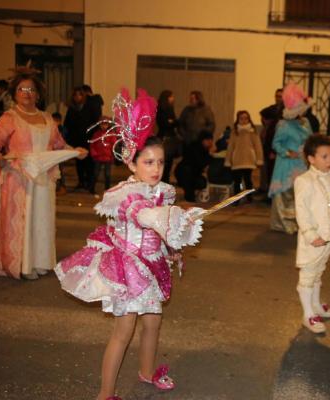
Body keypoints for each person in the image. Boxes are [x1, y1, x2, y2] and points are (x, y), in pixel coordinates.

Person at [55, 89, 206, 399]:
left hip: (152, 267)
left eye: (160, 162)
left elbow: (162, 232)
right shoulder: (125, 195)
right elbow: (147, 217)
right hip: (129, 271)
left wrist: (174, 249)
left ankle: (147, 372)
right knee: (123, 332)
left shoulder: (163, 191)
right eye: (148, 162)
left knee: (153, 323)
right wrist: (180, 220)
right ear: (132, 163)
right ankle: (105, 393)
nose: (155, 168)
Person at [0, 70, 87, 280]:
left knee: (42, 220)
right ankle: (22, 265)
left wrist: (76, 151)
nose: (27, 93)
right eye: (21, 89)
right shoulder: (9, 118)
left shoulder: (47, 118)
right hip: (20, 178)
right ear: (14, 93)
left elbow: (59, 145)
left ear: (38, 94)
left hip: (44, 179)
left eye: (31, 89)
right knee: (23, 222)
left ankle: (40, 262)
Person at [294, 134, 330, 333]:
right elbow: (302, 211)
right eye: (324, 156)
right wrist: (311, 235)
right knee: (308, 273)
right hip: (315, 238)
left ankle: (316, 305)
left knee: (319, 270)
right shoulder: (304, 181)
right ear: (311, 158)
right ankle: (308, 314)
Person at [268, 83, 312, 234]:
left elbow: (311, 140)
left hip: (302, 163)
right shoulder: (283, 124)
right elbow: (275, 143)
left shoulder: (306, 123)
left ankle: (299, 223)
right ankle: (282, 224)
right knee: (285, 194)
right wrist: (287, 152)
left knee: (299, 194)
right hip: (286, 164)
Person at [224, 110, 263, 200]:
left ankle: (249, 197)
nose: (244, 120)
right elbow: (230, 147)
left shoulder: (252, 131)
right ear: (238, 120)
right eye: (241, 118)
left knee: (248, 180)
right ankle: (236, 199)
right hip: (237, 159)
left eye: (246, 118)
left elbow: (258, 146)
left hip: (249, 159)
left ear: (249, 119)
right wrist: (228, 160)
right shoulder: (235, 132)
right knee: (237, 181)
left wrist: (259, 159)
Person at [65, 86, 94, 191]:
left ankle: (90, 183)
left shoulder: (88, 107)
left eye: (80, 94)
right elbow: (67, 124)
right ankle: (81, 181)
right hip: (77, 139)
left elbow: (94, 122)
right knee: (79, 162)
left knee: (89, 162)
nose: (77, 97)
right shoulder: (72, 108)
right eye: (75, 95)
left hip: (88, 139)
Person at [174, 130, 214, 202]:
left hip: (191, 174)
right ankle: (190, 199)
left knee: (201, 182)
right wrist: (210, 155)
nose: (210, 142)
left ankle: (191, 198)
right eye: (208, 140)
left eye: (211, 140)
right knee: (190, 178)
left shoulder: (204, 150)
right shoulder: (195, 148)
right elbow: (200, 163)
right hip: (184, 172)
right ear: (203, 140)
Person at [260, 88, 284, 192]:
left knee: (277, 172)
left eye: (280, 96)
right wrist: (266, 124)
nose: (278, 99)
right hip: (270, 144)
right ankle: (269, 192)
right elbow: (262, 113)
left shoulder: (286, 111)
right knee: (269, 171)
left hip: (279, 147)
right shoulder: (272, 109)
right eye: (277, 96)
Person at [156, 90, 180, 183]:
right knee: (167, 162)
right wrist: (173, 122)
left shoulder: (162, 109)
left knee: (164, 162)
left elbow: (171, 122)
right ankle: (164, 181)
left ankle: (163, 181)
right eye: (171, 96)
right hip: (167, 138)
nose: (173, 98)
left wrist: (172, 121)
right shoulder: (166, 109)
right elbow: (168, 123)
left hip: (164, 137)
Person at [89, 116, 116, 195]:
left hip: (107, 157)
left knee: (107, 174)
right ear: (99, 125)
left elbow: (113, 145)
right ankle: (92, 188)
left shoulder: (111, 134)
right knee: (95, 174)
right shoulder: (96, 134)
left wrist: (112, 155)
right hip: (98, 157)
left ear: (108, 125)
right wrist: (94, 153)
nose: (104, 126)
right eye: (102, 124)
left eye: (106, 124)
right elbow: (92, 145)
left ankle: (107, 189)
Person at [52, 112, 69, 195]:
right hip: (53, 154)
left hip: (60, 153)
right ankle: (56, 187)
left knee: (60, 171)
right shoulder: (51, 129)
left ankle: (62, 186)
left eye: (56, 121)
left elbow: (63, 141)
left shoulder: (62, 129)